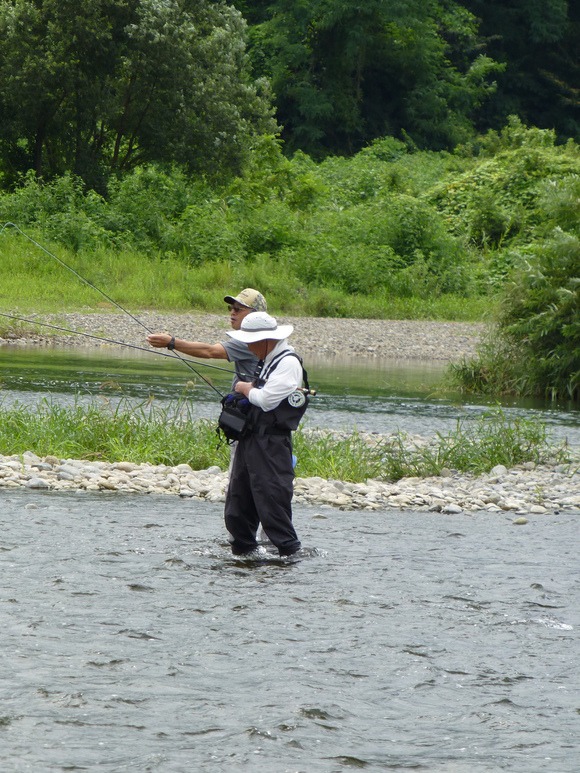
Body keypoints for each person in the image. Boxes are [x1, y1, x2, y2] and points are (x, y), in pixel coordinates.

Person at [223, 311, 309, 557]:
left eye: (251, 342)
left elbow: (267, 400)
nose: (248, 347)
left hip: (271, 444)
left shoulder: (288, 363)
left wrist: (244, 387)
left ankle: (290, 558)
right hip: (250, 439)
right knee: (237, 505)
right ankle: (242, 554)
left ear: (267, 340)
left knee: (271, 504)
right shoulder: (269, 358)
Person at [146, 288, 267, 386]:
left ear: (255, 314)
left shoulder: (251, 340)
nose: (232, 312)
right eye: (231, 308)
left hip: (253, 409)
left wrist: (171, 342)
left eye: (238, 309)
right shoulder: (265, 336)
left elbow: (210, 351)